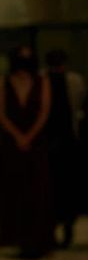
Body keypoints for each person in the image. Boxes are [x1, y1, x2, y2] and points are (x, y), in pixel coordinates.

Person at [0, 45, 53, 259]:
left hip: (36, 144)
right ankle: (17, 237)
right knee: (14, 189)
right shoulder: (4, 82)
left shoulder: (42, 81)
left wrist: (29, 136)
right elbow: (0, 112)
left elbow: (45, 112)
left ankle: (38, 239)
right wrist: (17, 136)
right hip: (12, 144)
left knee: (37, 191)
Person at [44, 49, 85, 248]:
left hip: (54, 140)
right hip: (65, 140)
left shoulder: (45, 80)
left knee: (56, 188)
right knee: (66, 188)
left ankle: (58, 227)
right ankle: (65, 227)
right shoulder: (74, 81)